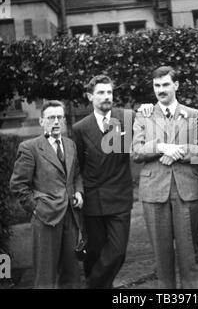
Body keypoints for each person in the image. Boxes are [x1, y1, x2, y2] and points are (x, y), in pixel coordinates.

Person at [131, 66, 198, 289]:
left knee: (188, 254)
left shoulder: (193, 114)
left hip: (186, 189)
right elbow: (135, 151)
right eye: (156, 86)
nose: (160, 90)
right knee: (162, 258)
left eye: (165, 85)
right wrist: (161, 147)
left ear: (176, 85)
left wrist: (176, 151)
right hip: (154, 191)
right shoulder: (143, 114)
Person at [72, 75, 138, 289]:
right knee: (95, 253)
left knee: (117, 251)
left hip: (120, 195)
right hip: (93, 199)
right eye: (101, 92)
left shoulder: (127, 117)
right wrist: (79, 191)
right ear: (90, 96)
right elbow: (78, 167)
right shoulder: (80, 128)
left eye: (109, 92)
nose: (106, 96)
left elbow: (152, 127)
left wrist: (147, 109)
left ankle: (91, 285)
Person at [10, 100, 84, 289]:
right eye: (51, 117)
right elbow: (18, 186)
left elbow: (75, 175)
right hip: (46, 219)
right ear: (42, 121)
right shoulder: (30, 147)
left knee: (72, 274)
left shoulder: (70, 145)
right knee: (45, 276)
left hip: (70, 216)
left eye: (60, 117)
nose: (56, 121)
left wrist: (78, 192)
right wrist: (37, 208)